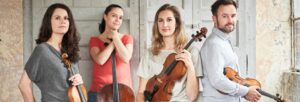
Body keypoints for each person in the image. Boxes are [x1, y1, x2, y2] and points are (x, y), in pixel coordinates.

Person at [18, 3, 84, 102]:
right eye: (57, 18)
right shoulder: (42, 50)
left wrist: (79, 81)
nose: (63, 21)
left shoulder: (70, 50)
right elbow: (23, 85)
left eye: (66, 18)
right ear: (49, 22)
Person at [137, 4, 200, 102]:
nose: (164, 25)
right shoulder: (149, 53)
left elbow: (192, 96)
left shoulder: (191, 51)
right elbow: (141, 93)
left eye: (169, 20)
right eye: (160, 20)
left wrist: (190, 66)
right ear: (157, 24)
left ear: (177, 23)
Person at [200, 0, 261, 102]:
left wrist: (243, 91)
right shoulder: (214, 44)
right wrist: (245, 91)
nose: (230, 20)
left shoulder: (224, 41)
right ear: (214, 19)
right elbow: (217, 80)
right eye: (225, 16)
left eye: (233, 16)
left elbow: (229, 77)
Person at [87, 4, 134, 102]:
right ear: (105, 16)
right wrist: (114, 41)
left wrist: (116, 38)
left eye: (120, 17)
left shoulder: (127, 38)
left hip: (123, 92)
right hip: (99, 92)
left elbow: (126, 58)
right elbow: (100, 60)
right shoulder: (94, 40)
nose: (117, 20)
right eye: (114, 15)